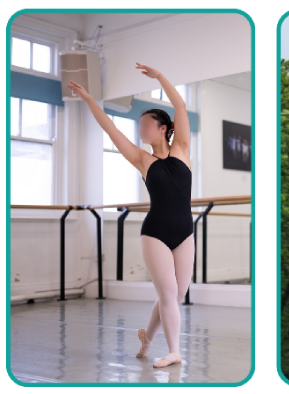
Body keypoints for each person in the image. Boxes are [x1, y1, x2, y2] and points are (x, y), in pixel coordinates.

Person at [67, 63, 193, 368]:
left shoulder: (182, 148)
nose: (141, 130)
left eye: (147, 125)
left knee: (174, 296)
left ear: (164, 128)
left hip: (185, 232)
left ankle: (146, 338)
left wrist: (160, 77)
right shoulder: (141, 159)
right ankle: (174, 351)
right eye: (139, 126)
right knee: (168, 293)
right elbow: (110, 129)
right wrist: (89, 100)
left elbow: (180, 105)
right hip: (156, 234)